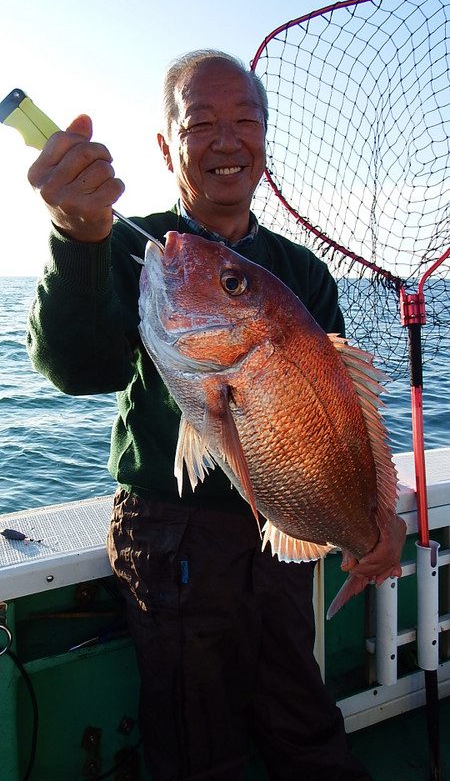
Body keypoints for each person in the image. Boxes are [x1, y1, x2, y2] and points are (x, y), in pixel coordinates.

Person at [26, 50, 406, 781]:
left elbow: (343, 415)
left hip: (286, 532)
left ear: (264, 142)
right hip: (174, 540)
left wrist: (375, 523)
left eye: (245, 121)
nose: (226, 140)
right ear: (168, 145)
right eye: (201, 122)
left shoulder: (302, 274)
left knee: (304, 719)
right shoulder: (129, 247)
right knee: (195, 742)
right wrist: (78, 237)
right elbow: (79, 367)